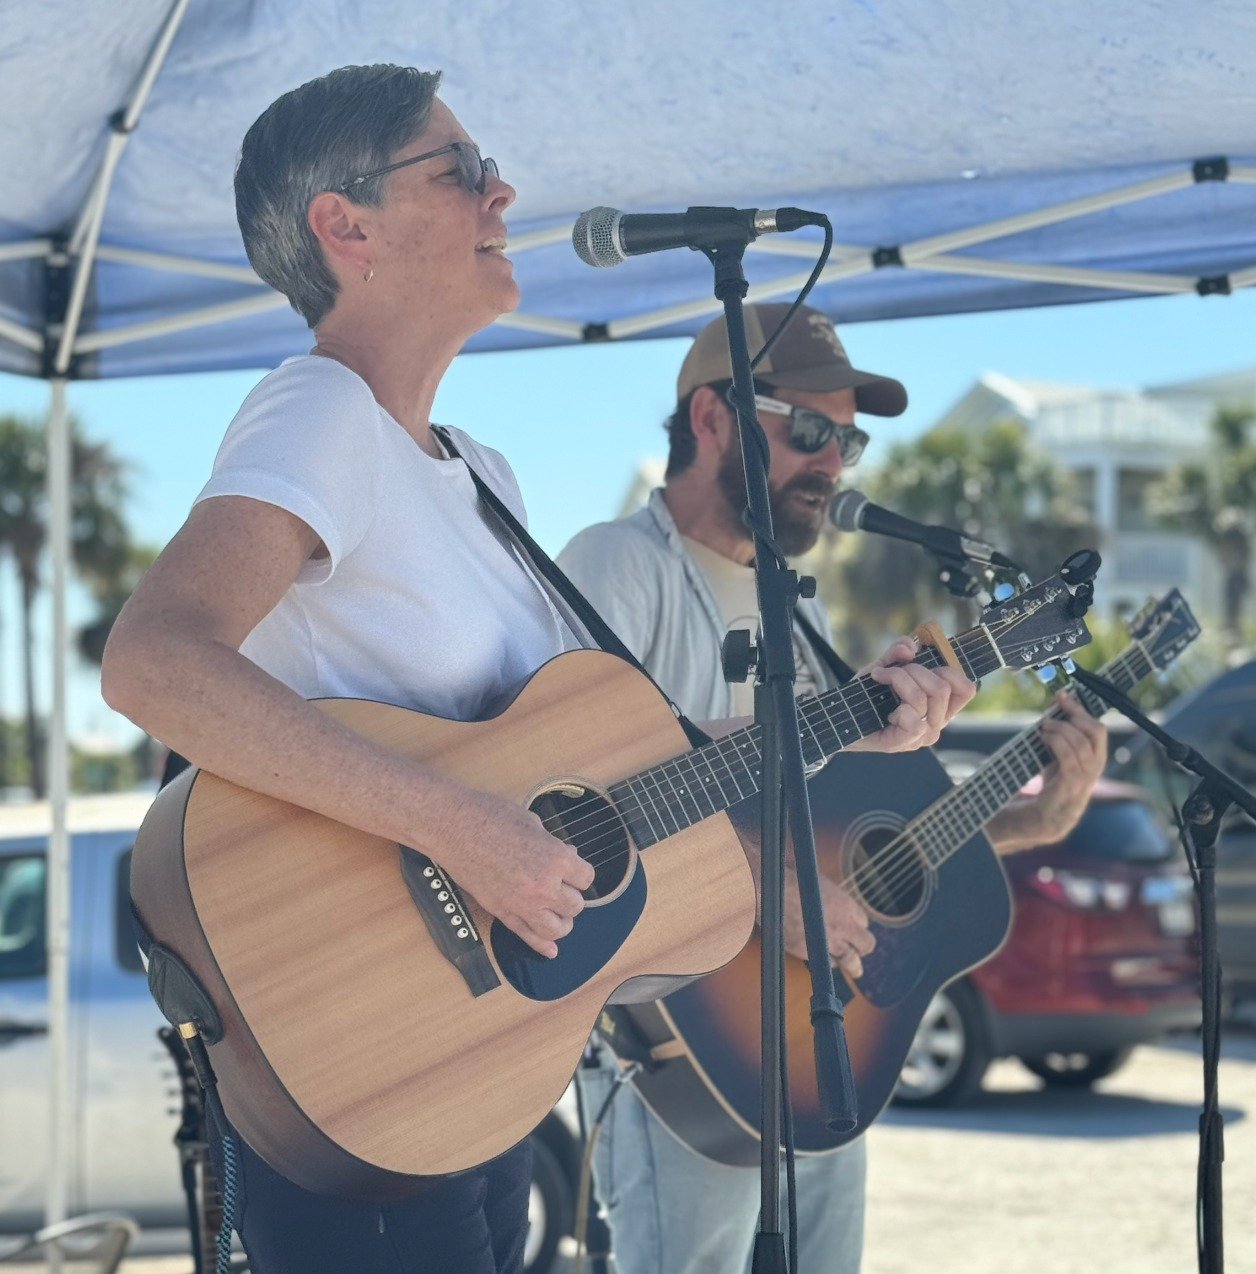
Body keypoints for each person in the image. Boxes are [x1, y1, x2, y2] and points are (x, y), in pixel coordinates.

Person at [102, 63, 596, 1274]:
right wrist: (462, 829)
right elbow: (154, 660)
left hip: (470, 1052)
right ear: (345, 224)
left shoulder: (480, 472)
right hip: (357, 1050)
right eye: (462, 169)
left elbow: (580, 757)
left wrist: (861, 724)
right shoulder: (320, 408)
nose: (504, 192)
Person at [557, 302, 1109, 1274]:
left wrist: (1035, 819)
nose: (832, 463)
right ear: (712, 419)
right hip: (681, 1035)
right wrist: (760, 892)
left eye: (846, 441)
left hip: (813, 1037)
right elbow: (575, 809)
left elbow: (860, 852)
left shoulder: (798, 619)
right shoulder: (617, 565)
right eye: (807, 430)